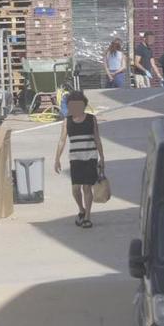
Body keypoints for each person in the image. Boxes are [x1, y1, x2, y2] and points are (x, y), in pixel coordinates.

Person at [53, 91, 107, 229]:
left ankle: (87, 217)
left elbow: (97, 138)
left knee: (87, 187)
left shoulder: (91, 119)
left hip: (90, 157)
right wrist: (57, 158)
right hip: (75, 158)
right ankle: (81, 209)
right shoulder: (67, 121)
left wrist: (102, 157)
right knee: (76, 188)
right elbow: (61, 140)